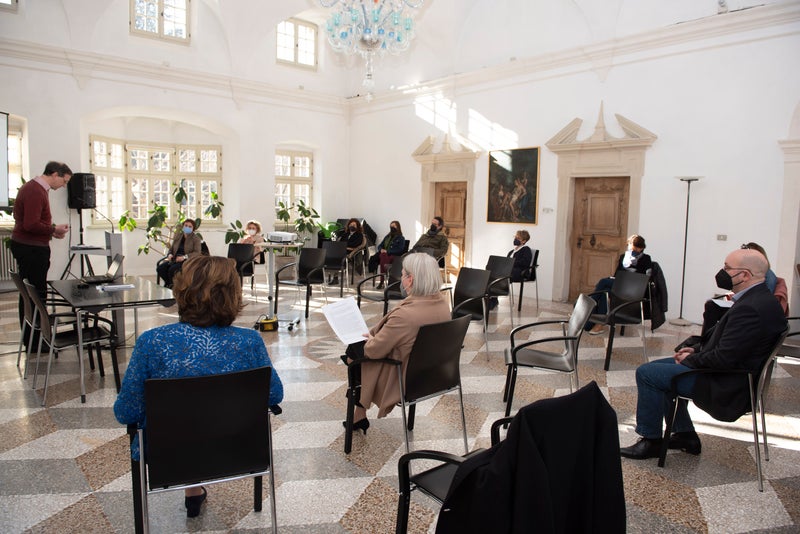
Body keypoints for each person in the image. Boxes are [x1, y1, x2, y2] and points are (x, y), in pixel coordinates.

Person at [114, 255, 284, 518]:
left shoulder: (152, 342)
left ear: (181, 290)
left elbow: (126, 412)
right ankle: (194, 490)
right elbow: (274, 394)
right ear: (233, 295)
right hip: (237, 447)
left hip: (169, 452)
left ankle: (192, 490)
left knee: (185, 423)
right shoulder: (249, 341)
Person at [619, 247, 787, 460]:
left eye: (727, 268)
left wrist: (691, 359)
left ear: (745, 275)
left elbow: (724, 358)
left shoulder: (751, 308)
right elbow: (731, 344)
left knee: (647, 374)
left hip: (726, 383)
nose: (722, 272)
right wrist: (696, 349)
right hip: (731, 373)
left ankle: (650, 441)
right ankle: (685, 435)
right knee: (655, 369)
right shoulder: (760, 298)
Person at [340, 253, 450, 433]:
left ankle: (358, 409)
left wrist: (372, 339)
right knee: (355, 355)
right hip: (432, 375)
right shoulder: (443, 304)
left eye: (403, 274)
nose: (400, 278)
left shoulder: (405, 315)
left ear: (410, 279)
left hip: (402, 376)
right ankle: (359, 414)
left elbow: (373, 351)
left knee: (354, 351)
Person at [10, 161, 71, 349]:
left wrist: (52, 231)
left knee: (32, 294)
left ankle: (33, 340)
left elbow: (28, 221)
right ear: (55, 174)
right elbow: (30, 224)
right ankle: (36, 342)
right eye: (64, 181)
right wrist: (53, 229)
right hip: (32, 250)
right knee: (35, 295)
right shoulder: (35, 190)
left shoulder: (35, 188)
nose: (64, 186)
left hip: (30, 246)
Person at [700, 242, 787, 338]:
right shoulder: (762, 278)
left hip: (748, 309)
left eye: (728, 268)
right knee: (711, 305)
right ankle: (707, 340)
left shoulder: (749, 309)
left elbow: (759, 299)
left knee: (712, 308)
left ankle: (706, 340)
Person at [585, 234, 652, 335]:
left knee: (603, 282)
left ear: (642, 248)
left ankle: (587, 307)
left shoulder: (646, 259)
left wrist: (632, 277)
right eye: (632, 247)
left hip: (635, 288)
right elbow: (617, 274)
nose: (635, 250)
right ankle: (599, 325)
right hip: (621, 284)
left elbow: (647, 277)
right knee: (605, 292)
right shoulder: (623, 257)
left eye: (637, 248)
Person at [488, 229, 532, 310]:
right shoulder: (512, 251)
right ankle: (492, 298)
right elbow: (506, 262)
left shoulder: (526, 249)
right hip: (509, 271)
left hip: (520, 272)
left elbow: (525, 263)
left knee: (502, 275)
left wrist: (511, 263)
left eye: (518, 238)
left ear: (524, 241)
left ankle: (494, 299)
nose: (515, 239)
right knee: (492, 272)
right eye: (515, 237)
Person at [156, 219, 203, 287]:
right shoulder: (178, 236)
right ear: (183, 226)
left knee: (172, 270)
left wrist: (184, 257)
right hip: (175, 259)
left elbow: (197, 253)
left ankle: (172, 286)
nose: (187, 227)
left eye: (190, 226)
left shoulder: (196, 239)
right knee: (160, 268)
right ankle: (170, 284)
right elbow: (171, 249)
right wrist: (170, 254)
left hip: (187, 261)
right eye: (186, 225)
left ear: (193, 229)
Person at [368, 220, 405, 287]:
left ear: (398, 227)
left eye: (394, 226)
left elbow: (400, 250)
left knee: (383, 256)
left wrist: (388, 251)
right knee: (383, 255)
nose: (392, 227)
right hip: (384, 255)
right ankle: (385, 277)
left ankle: (382, 281)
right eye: (391, 226)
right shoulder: (387, 236)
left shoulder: (401, 238)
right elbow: (380, 245)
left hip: (394, 256)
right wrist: (381, 249)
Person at [331, 218, 366, 285]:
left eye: (354, 225)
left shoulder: (359, 235)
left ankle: (335, 277)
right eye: (351, 224)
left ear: (357, 227)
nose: (352, 226)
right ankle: (335, 277)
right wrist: (344, 247)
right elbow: (340, 243)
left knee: (341, 259)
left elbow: (355, 245)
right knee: (332, 257)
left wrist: (345, 247)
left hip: (352, 253)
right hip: (342, 251)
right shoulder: (345, 234)